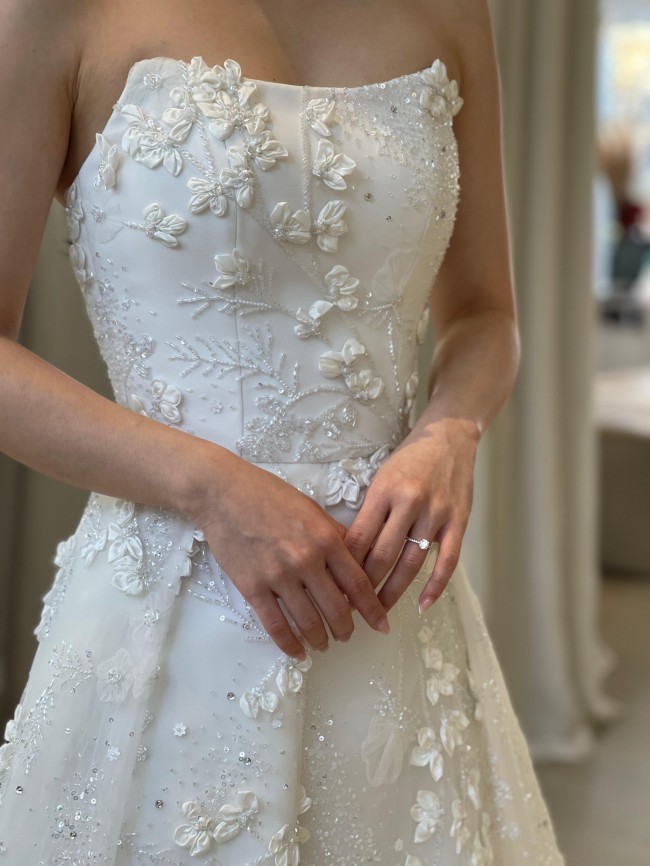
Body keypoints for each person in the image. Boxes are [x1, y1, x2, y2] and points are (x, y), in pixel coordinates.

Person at [0, 0, 565, 863]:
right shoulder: (54, 13)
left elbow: (486, 314)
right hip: (169, 619)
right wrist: (208, 485)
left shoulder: (454, 11)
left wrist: (451, 431)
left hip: (389, 612)